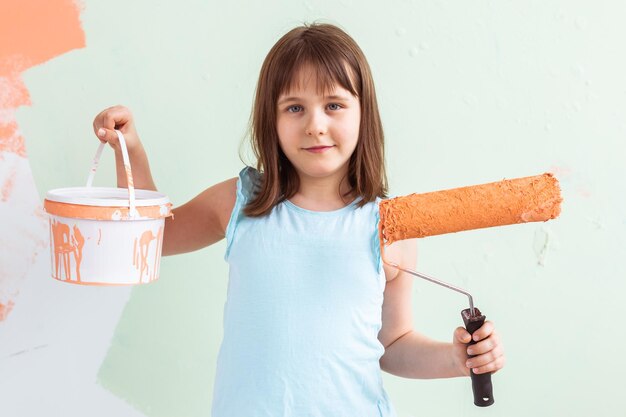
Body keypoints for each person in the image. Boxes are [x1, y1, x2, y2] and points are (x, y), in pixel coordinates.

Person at [92, 23, 504, 417]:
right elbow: (149, 237)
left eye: (334, 105)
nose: (315, 125)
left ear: (364, 113)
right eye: (294, 107)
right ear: (270, 119)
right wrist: (130, 150)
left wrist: (454, 358)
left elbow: (393, 344)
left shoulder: (389, 228)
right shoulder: (240, 203)